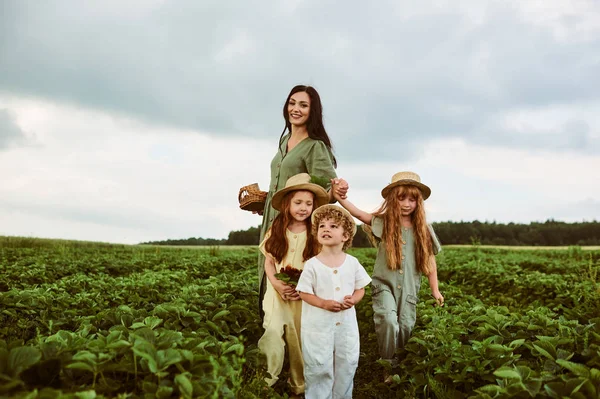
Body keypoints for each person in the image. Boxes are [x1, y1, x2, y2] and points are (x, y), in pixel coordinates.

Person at [332, 171, 444, 382]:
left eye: (412, 199)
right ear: (393, 199)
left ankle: (400, 365)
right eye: (401, 198)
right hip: (384, 285)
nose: (406, 204)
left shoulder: (424, 230)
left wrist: (435, 289)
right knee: (388, 320)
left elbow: (430, 262)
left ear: (418, 203)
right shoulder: (384, 223)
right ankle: (388, 365)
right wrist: (340, 197)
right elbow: (358, 213)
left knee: (405, 326)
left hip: (410, 288)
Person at [256, 85, 348, 316]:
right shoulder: (285, 140)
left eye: (303, 105)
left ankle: (294, 340)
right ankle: (272, 329)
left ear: (312, 111)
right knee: (269, 268)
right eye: (292, 103)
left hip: (294, 225)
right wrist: (269, 200)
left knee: (289, 275)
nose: (295, 109)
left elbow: (326, 189)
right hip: (272, 216)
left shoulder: (315, 146)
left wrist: (338, 188)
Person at [258, 173, 330, 397]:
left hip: (302, 293)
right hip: (277, 291)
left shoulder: (315, 233)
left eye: (309, 203)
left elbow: (320, 265)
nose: (303, 208)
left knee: (299, 339)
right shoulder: (277, 229)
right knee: (271, 330)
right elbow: (269, 263)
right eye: (298, 202)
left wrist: (304, 288)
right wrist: (277, 285)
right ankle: (266, 380)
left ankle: (298, 385)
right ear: (287, 204)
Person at [296, 205, 371, 399]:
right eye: (321, 226)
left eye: (333, 226)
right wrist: (323, 303)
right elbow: (304, 292)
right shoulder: (312, 264)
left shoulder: (352, 262)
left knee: (347, 361)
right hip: (318, 326)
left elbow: (360, 287)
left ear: (345, 236)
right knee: (318, 364)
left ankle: (342, 396)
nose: (326, 229)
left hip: (345, 326)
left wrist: (353, 299)